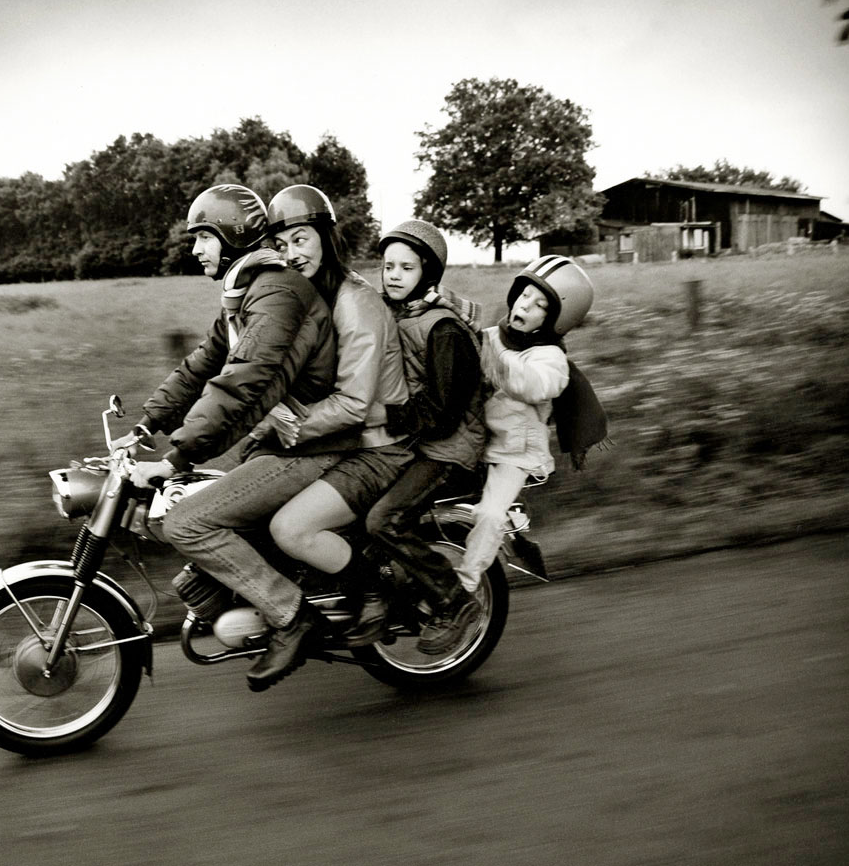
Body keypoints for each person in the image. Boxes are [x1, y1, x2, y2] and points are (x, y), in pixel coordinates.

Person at [116, 183, 343, 693]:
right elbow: (200, 367)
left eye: (204, 237)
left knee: (186, 521)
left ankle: (292, 617)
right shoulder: (245, 295)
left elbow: (241, 384)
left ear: (234, 235)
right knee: (208, 501)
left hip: (316, 445)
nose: (196, 249)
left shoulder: (277, 294)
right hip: (286, 441)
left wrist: (174, 458)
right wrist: (145, 424)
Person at [420, 254, 603, 654]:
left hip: (513, 455)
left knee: (488, 515)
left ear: (556, 320)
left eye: (539, 304)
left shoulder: (550, 359)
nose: (524, 306)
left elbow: (530, 384)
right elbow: (464, 343)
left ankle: (464, 592)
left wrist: (486, 351)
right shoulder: (494, 335)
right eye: (523, 295)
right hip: (476, 442)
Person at [258, 187, 414, 653]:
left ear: (326, 238)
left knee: (291, 528)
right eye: (281, 245)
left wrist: (285, 428)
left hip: (377, 449)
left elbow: (352, 405)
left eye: (301, 239)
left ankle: (374, 590)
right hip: (342, 441)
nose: (292, 253)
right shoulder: (317, 296)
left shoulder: (354, 302)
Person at [345, 219, 486, 649]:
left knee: (384, 519)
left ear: (427, 273)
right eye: (388, 266)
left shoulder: (443, 329)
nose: (394, 275)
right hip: (415, 442)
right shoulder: (398, 313)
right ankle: (374, 598)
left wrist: (382, 417)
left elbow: (442, 413)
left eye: (406, 268)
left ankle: (454, 600)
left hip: (447, 449)